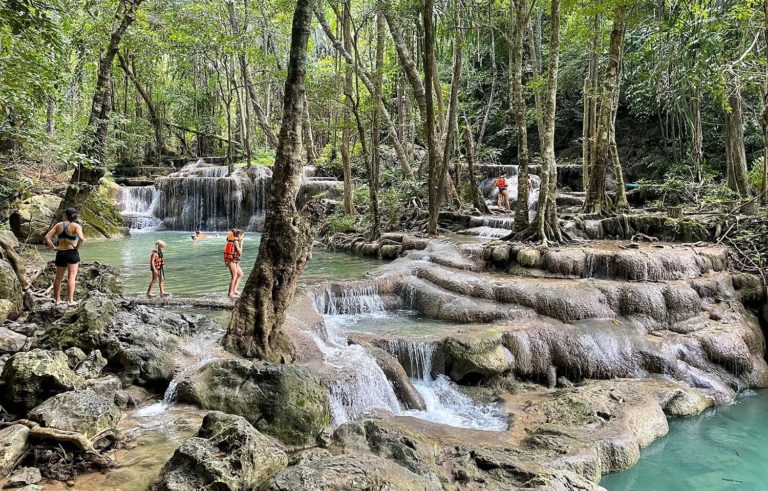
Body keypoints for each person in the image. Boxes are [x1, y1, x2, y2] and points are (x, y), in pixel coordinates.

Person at [44, 207, 84, 307]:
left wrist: (53, 247)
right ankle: (70, 301)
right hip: (72, 253)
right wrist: (77, 247)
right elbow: (82, 238)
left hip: (60, 253)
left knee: (58, 278)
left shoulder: (58, 225)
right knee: (71, 277)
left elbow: (47, 237)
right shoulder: (76, 226)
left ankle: (57, 300)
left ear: (65, 215)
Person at [224, 229, 244, 298]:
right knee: (234, 276)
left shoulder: (233, 240)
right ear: (239, 235)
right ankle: (230, 293)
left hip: (234, 261)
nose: (242, 238)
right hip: (231, 261)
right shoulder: (236, 242)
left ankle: (234, 289)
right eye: (242, 236)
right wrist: (241, 244)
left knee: (241, 274)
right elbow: (240, 253)